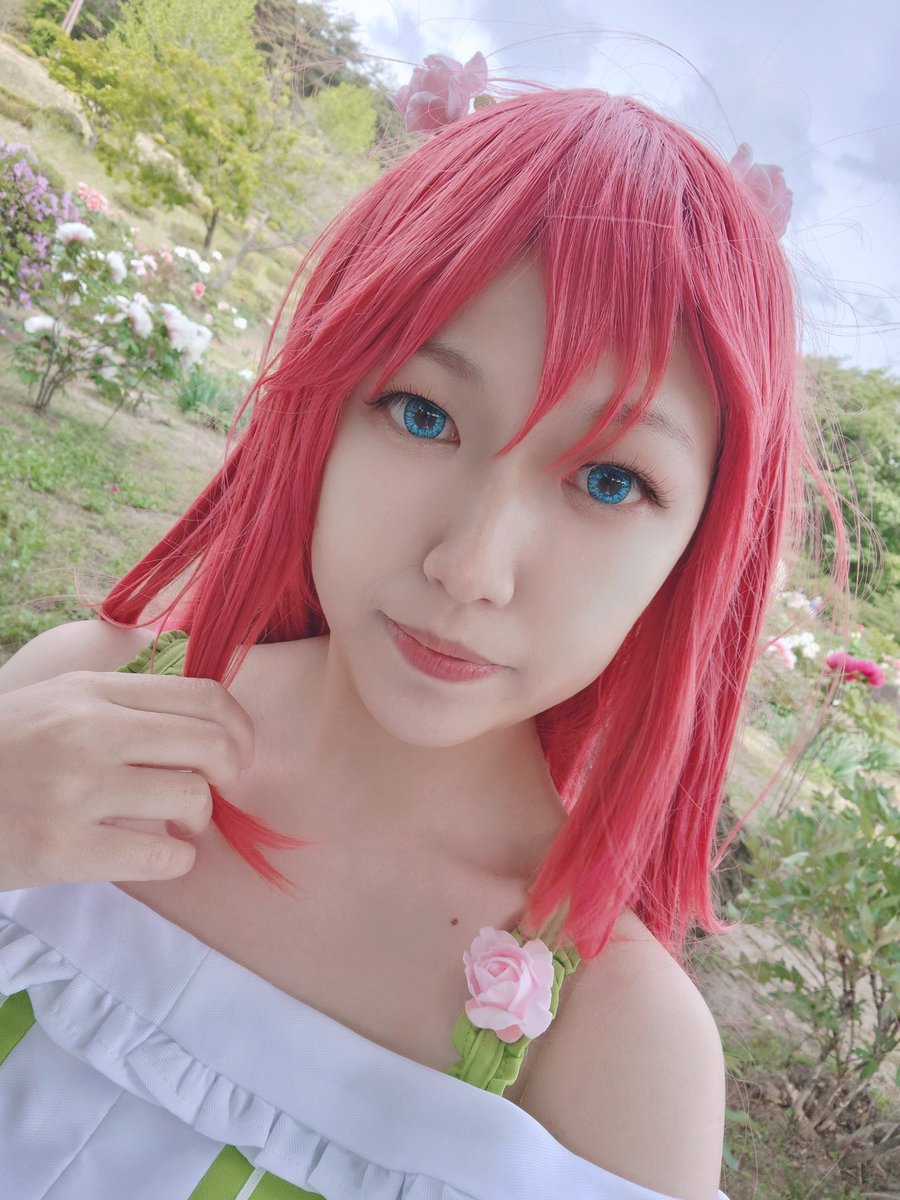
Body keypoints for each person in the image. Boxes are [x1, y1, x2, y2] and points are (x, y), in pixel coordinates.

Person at [0, 80, 846, 1200]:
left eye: (610, 480)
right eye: (422, 414)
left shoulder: (619, 1054)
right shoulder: (71, 709)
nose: (471, 567)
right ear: (325, 407)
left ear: (696, 553)